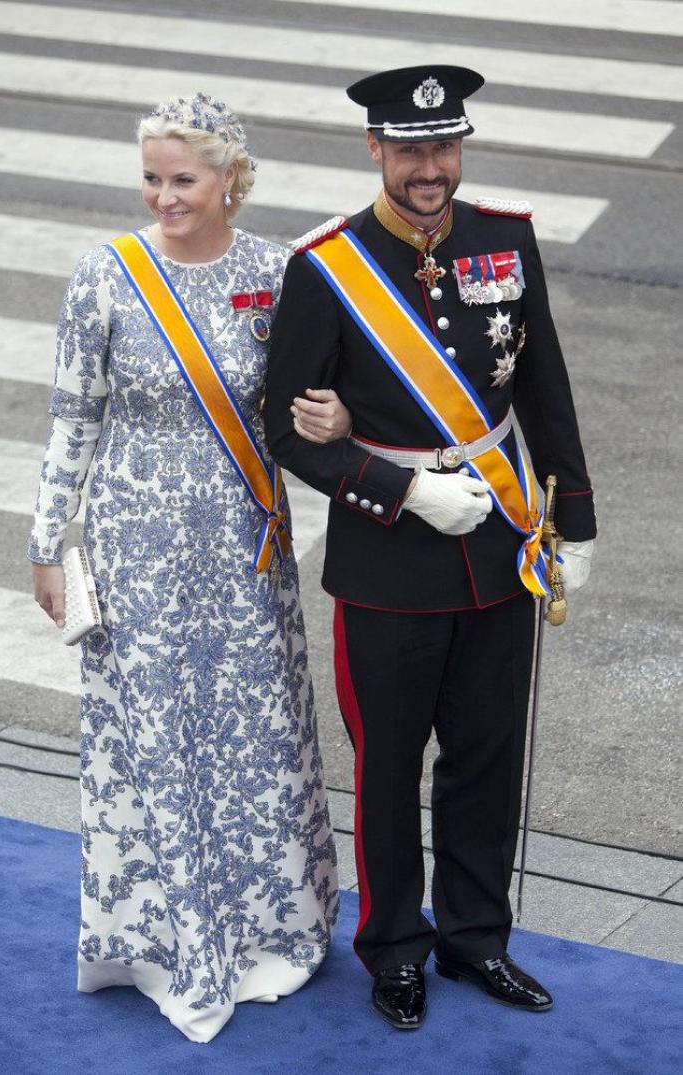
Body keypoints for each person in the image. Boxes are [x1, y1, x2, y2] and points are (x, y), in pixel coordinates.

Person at [264, 66, 596, 1030]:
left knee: (487, 753)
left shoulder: (505, 237)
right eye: (410, 151)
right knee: (389, 760)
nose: (430, 169)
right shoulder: (326, 266)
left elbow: (545, 389)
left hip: (497, 548)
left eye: (444, 148)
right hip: (388, 563)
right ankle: (395, 946)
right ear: (375, 149)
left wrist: (575, 518)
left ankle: (477, 938)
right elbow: (284, 430)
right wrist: (401, 487)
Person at [29, 92, 352, 1043]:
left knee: (255, 737)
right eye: (152, 177)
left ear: (229, 180)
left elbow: (315, 401)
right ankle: (169, 946)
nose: (164, 195)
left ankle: (268, 931)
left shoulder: (279, 272)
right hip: (136, 551)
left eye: (184, 177)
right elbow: (71, 419)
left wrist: (335, 422)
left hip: (246, 546)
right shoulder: (106, 276)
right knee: (157, 738)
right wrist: (49, 544)